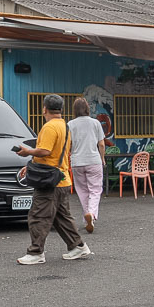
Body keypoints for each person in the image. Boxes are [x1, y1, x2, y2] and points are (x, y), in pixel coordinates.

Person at [15, 94, 91, 264]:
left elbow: (45, 151)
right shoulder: (64, 126)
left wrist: (27, 152)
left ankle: (36, 253)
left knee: (38, 216)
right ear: (61, 109)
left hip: (49, 181)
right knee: (61, 217)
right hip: (62, 179)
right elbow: (55, 153)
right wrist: (30, 165)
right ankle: (78, 246)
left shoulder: (49, 127)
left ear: (44, 109)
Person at [67, 97, 107, 233]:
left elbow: (68, 144)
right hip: (93, 160)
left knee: (82, 191)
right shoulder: (95, 123)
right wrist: (102, 158)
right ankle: (92, 214)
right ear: (87, 108)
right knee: (95, 190)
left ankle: (87, 219)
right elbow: (101, 144)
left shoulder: (70, 124)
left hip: (77, 162)